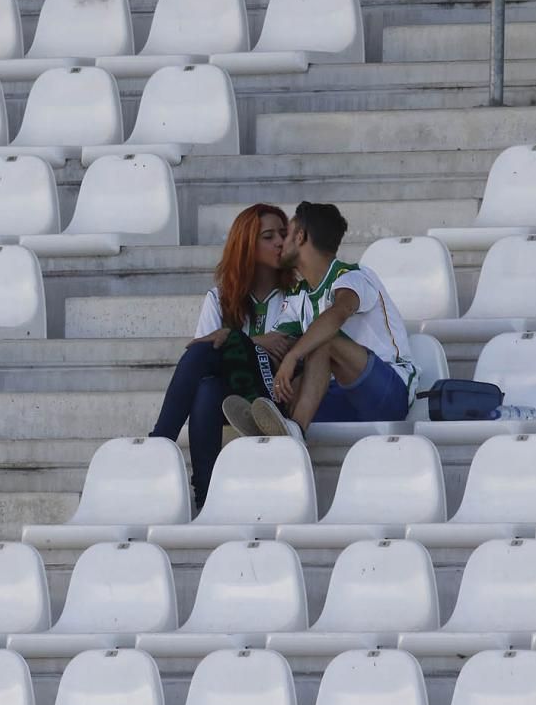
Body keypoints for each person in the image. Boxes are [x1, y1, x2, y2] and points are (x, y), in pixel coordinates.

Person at [149, 203, 295, 509]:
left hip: (274, 395)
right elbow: (206, 351)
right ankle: (205, 493)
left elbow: (285, 349)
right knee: (207, 388)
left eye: (283, 234)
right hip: (233, 395)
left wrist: (239, 340)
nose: (280, 242)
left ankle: (159, 443)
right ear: (247, 245)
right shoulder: (220, 297)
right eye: (268, 237)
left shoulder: (296, 294)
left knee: (210, 350)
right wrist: (256, 341)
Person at [234, 201, 417, 438]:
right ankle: (273, 421)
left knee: (322, 341)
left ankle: (295, 432)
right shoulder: (298, 293)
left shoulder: (354, 275)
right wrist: (233, 340)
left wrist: (293, 355)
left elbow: (338, 313)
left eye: (286, 234)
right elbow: (274, 340)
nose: (280, 243)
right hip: (341, 396)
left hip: (390, 393)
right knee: (287, 371)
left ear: (300, 236)